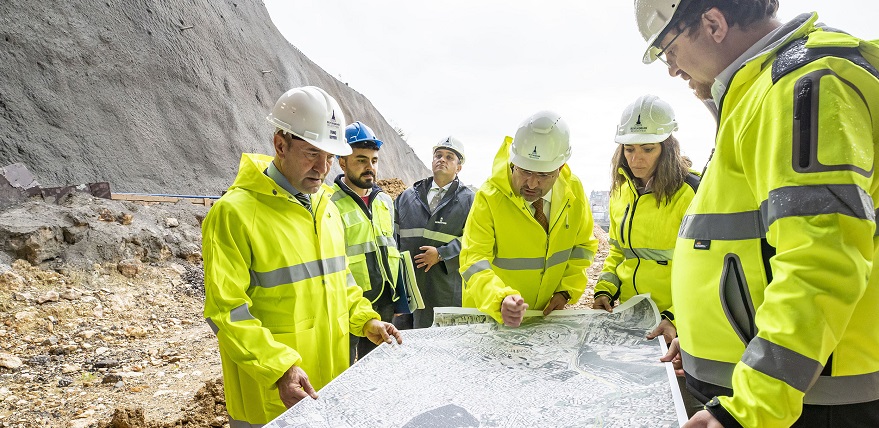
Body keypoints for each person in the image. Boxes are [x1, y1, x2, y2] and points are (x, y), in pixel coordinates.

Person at [635, 0, 879, 426]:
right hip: (785, 393)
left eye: (669, 50)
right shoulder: (758, 94)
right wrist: (701, 340)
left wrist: (749, 412)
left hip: (809, 404)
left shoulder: (801, 86)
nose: (672, 69)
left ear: (713, 23)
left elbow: (820, 262)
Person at [202, 86, 402, 426]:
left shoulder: (326, 208)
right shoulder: (233, 214)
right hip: (270, 396)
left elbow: (343, 282)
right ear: (281, 145)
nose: (322, 168)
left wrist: (366, 321)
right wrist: (278, 368)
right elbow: (225, 311)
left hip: (327, 386)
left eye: (329, 157)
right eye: (312, 153)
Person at [459, 111, 599, 327]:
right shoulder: (488, 197)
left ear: (560, 169)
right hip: (490, 318)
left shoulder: (575, 192)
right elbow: (473, 261)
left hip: (542, 318)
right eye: (524, 172)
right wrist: (500, 299)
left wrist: (565, 290)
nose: (532, 184)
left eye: (543, 175)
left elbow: (583, 248)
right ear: (514, 162)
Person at [593, 94, 700, 347]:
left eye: (648, 149)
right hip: (631, 317)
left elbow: (707, 268)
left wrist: (675, 317)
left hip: (678, 323)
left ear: (667, 148)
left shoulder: (693, 192)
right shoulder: (620, 192)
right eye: (629, 149)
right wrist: (604, 290)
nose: (636, 159)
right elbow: (618, 252)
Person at [331, 121, 401, 362]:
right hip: (350, 304)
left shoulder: (384, 201)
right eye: (361, 160)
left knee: (380, 366)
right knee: (347, 368)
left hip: (385, 302)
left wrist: (399, 295)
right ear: (342, 162)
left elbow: (393, 248)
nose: (369, 167)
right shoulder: (330, 204)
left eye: (374, 160)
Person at [394, 136, 475, 329]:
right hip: (408, 287)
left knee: (439, 346)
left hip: (443, 287)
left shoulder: (470, 201)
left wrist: (441, 254)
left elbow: (475, 241)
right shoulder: (407, 197)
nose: (442, 159)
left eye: (449, 157)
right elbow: (393, 238)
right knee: (404, 343)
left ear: (459, 167)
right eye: (438, 155)